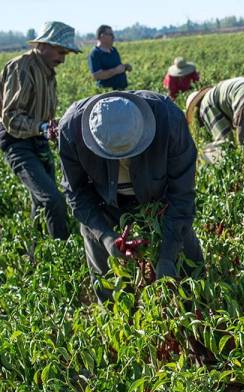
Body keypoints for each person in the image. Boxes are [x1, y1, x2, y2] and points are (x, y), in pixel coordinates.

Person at [58, 90, 203, 301]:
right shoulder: (71, 128)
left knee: (189, 270)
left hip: (159, 201)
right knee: (108, 283)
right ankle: (116, 321)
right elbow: (77, 193)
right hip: (104, 205)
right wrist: (106, 236)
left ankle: (194, 310)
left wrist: (168, 254)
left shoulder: (169, 120)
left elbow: (181, 193)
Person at [0, 21, 81, 240]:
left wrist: (51, 127)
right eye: (60, 51)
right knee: (52, 199)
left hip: (38, 139)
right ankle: (61, 248)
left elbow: (42, 115)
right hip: (17, 142)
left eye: (66, 53)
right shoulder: (22, 67)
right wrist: (42, 127)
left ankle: (33, 254)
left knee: (41, 199)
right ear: (43, 44)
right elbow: (11, 117)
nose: (63, 58)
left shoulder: (48, 72)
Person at [88, 25, 131, 90]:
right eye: (110, 34)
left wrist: (124, 67)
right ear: (102, 36)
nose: (113, 37)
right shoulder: (95, 53)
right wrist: (116, 70)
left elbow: (117, 67)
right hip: (108, 94)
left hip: (121, 90)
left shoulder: (114, 50)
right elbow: (96, 75)